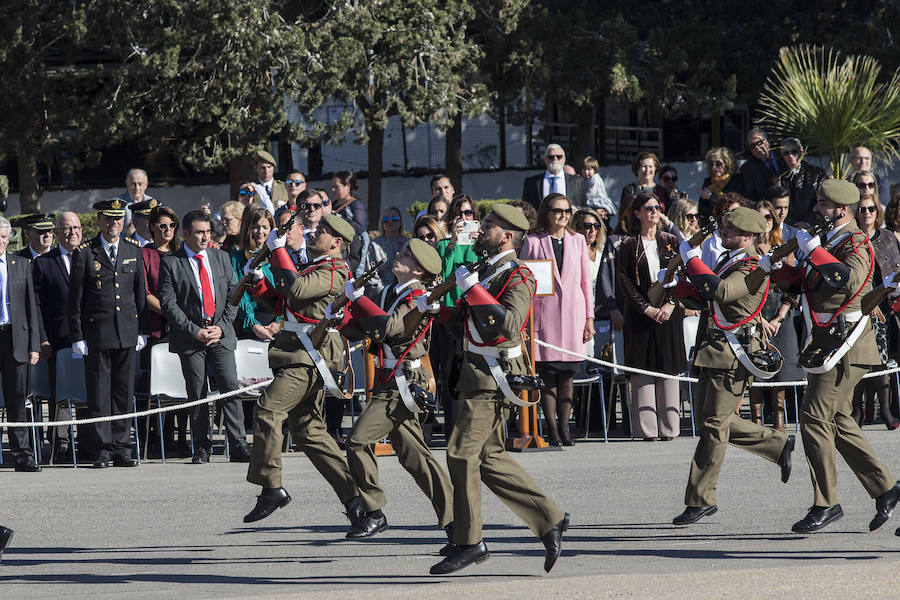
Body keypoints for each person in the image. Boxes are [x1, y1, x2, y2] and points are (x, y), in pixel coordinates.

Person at [427, 203, 569, 575]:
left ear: (507, 235)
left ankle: (469, 542)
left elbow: (507, 324)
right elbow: (466, 320)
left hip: (495, 376)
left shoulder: (518, 274)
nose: (480, 230)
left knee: (459, 453)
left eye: (487, 225)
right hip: (476, 373)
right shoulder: (487, 271)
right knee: (489, 459)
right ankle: (550, 518)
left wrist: (473, 291)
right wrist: (437, 311)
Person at [760, 179, 900, 533]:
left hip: (847, 344)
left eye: (822, 205)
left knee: (813, 416)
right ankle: (886, 488)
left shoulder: (856, 243)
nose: (817, 209)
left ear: (841, 209)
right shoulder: (829, 241)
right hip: (826, 342)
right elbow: (805, 283)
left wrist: (815, 252)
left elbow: (848, 281)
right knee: (837, 420)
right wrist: (771, 269)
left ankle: (826, 502)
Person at [668, 207, 794, 525]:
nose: (722, 232)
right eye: (724, 228)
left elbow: (723, 291)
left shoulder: (752, 265)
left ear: (748, 236)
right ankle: (778, 443)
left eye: (729, 230)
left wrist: (691, 256)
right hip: (713, 349)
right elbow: (711, 297)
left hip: (733, 354)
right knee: (711, 420)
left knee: (713, 427)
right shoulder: (730, 260)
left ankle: (700, 499)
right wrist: (681, 288)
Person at [241, 214, 364, 527]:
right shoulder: (318, 266)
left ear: (337, 243)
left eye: (321, 231)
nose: (313, 233)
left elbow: (296, 290)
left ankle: (271, 488)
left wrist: (279, 251)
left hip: (311, 356)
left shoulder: (336, 270)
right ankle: (358, 503)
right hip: (297, 352)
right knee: (309, 432)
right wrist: (259, 283)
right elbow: (285, 301)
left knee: (268, 409)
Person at [334, 239, 454, 545]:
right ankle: (457, 521)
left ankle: (373, 511)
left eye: (404, 254)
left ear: (417, 268)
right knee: (415, 456)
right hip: (391, 379)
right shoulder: (391, 291)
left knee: (358, 440)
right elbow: (370, 330)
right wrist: (342, 318)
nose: (397, 256)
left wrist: (359, 301)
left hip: (406, 381)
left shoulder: (417, 295)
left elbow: (390, 329)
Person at [158, 210, 252, 464]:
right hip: (192, 337)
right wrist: (194, 331)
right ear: (186, 234)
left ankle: (239, 443)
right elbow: (169, 304)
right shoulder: (171, 262)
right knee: (197, 391)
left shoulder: (220, 258)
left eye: (208, 232)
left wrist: (221, 327)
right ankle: (202, 446)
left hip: (220, 333)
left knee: (230, 386)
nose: (205, 237)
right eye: (199, 232)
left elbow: (234, 295)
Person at [68, 199, 146, 468]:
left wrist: (141, 330)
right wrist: (77, 335)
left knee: (123, 393)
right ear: (99, 220)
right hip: (96, 333)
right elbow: (75, 299)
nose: (114, 223)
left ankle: (122, 446)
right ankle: (102, 448)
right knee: (99, 393)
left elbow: (139, 296)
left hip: (126, 331)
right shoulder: (85, 252)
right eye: (109, 219)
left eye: (118, 218)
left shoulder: (133, 250)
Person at [520, 194, 594, 446]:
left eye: (566, 211)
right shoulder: (533, 240)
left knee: (567, 376)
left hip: (573, 316)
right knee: (549, 376)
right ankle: (551, 428)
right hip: (544, 315)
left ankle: (564, 427)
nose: (562, 215)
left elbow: (586, 284)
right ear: (546, 212)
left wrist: (589, 317)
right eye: (557, 210)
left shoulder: (578, 242)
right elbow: (525, 282)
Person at [616, 191, 686, 441]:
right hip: (639, 315)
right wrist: (646, 308)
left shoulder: (671, 240)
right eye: (648, 208)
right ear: (637, 213)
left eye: (657, 207)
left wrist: (669, 305)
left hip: (668, 314)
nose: (654, 211)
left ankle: (669, 427)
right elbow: (623, 281)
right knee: (643, 367)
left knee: (667, 365)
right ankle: (647, 429)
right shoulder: (628, 244)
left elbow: (682, 275)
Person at [851, 173, 900, 429]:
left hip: (887, 306)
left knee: (884, 361)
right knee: (860, 360)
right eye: (862, 209)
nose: (867, 212)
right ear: (856, 212)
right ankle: (857, 410)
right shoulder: (852, 240)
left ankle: (886, 410)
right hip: (861, 306)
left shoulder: (888, 237)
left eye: (871, 208)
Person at [139, 205, 189, 458]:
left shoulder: (181, 254)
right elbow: (145, 293)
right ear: (151, 227)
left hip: (180, 328)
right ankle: (159, 439)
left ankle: (181, 438)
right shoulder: (144, 254)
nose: (168, 230)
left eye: (172, 225)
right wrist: (170, 314)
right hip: (155, 328)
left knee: (181, 382)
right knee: (158, 386)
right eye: (162, 225)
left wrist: (180, 318)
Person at [749, 201, 802, 432]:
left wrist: (778, 317)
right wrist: (760, 320)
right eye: (761, 218)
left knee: (782, 365)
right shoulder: (747, 249)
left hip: (781, 312)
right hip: (755, 314)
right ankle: (756, 419)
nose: (766, 222)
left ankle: (779, 416)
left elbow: (794, 288)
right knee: (756, 364)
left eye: (769, 217)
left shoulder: (784, 248)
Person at [33, 211, 82, 461]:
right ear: (57, 232)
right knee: (60, 394)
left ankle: (87, 442)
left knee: (88, 391)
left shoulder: (90, 257)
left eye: (75, 228)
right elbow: (37, 306)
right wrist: (42, 338)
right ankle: (60, 445)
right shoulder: (44, 262)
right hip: (57, 339)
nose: (71, 232)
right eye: (66, 228)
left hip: (88, 338)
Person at [0, 216, 41, 472]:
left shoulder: (21, 264)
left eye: (4, 237)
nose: (1, 242)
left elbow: (31, 308)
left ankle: (22, 455)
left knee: (17, 399)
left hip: (15, 338)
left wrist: (34, 344)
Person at [229, 205, 278, 341]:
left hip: (275, 326)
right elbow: (241, 295)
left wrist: (279, 322)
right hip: (249, 327)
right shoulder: (238, 257)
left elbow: (284, 293)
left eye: (265, 227)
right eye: (256, 227)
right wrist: (253, 324)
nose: (260, 232)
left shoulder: (277, 255)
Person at [778, 137, 826, 226]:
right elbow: (778, 203)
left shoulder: (817, 173)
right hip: (788, 226)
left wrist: (808, 222)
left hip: (813, 224)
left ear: (801, 151)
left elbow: (821, 202)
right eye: (786, 153)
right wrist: (794, 223)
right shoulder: (780, 177)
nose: (790, 156)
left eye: (794, 152)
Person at [522, 144, 586, 210]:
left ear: (564, 159)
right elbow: (526, 209)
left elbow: (583, 207)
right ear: (545, 159)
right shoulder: (531, 183)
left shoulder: (578, 182)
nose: (555, 159)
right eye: (551, 157)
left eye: (559, 157)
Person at [331, 170, 369, 276]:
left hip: (353, 251)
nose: (333, 190)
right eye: (332, 186)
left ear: (347, 187)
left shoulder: (356, 205)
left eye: (336, 187)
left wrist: (341, 219)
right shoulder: (333, 205)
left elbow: (361, 227)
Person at [698, 147, 744, 219]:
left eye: (718, 163)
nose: (714, 167)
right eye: (711, 164)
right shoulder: (708, 182)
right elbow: (702, 209)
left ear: (727, 163)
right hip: (713, 223)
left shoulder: (736, 180)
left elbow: (734, 204)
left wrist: (711, 197)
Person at [741, 128, 782, 203]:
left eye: (759, 143)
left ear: (767, 141)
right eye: (753, 146)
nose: (757, 147)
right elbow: (751, 196)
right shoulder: (748, 168)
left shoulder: (783, 156)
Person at [373, 206, 408, 285]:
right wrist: (383, 292)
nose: (390, 222)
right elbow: (371, 272)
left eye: (394, 219)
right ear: (381, 223)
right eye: (385, 220)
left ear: (400, 222)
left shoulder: (408, 243)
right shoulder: (374, 244)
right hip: (380, 291)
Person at [252, 150, 287, 214]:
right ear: (256, 168)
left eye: (269, 167)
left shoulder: (284, 187)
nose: (266, 171)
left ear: (273, 168)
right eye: (263, 168)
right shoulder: (251, 188)